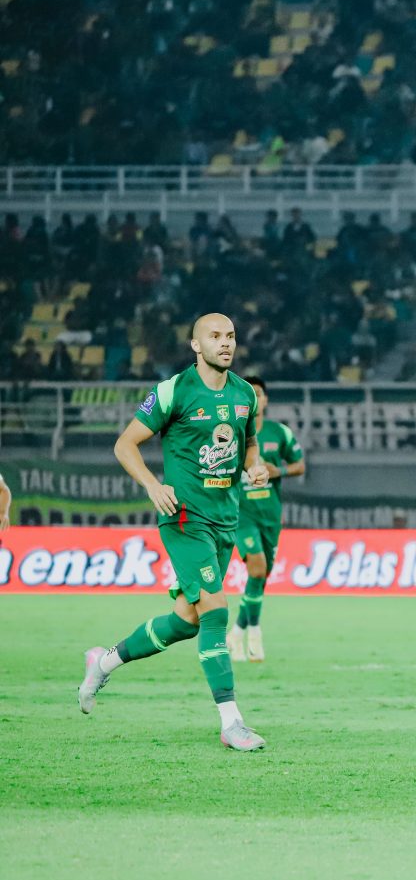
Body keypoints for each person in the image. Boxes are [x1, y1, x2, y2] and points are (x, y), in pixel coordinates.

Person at [76, 314, 268, 751]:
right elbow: (125, 444)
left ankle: (103, 662)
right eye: (215, 337)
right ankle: (231, 721)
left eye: (231, 336)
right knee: (217, 612)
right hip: (184, 518)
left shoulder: (243, 394)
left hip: (225, 520)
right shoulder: (173, 391)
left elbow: (248, 444)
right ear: (195, 346)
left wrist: (253, 467)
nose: (225, 344)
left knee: (187, 621)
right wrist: (152, 485)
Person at [228, 377, 306, 663]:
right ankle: (255, 634)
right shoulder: (231, 433)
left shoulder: (279, 432)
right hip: (242, 514)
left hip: (271, 516)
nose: (255, 399)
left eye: (258, 394)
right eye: (249, 394)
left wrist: (279, 471)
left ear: (265, 400)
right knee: (258, 569)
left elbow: (299, 465)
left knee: (259, 578)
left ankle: (236, 632)